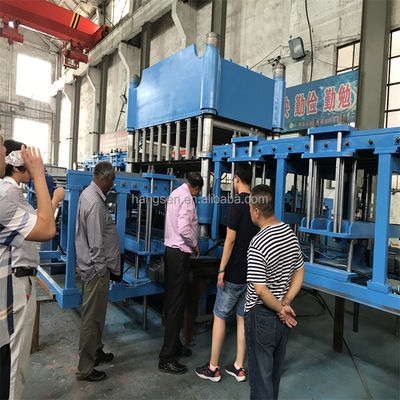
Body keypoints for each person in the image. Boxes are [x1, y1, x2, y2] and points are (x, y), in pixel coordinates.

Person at [3, 140, 65, 400]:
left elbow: (35, 222)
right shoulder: (7, 195)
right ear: (18, 165)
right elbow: (45, 228)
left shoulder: (13, 193)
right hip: (17, 282)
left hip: (20, 279)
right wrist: (53, 196)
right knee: (15, 360)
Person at [196, 163, 259, 382]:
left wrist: (221, 269)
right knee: (242, 318)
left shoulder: (237, 204)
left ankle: (213, 368)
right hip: (252, 273)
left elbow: (230, 240)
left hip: (234, 272)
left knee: (220, 315)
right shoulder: (257, 204)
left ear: (237, 179)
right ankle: (239, 367)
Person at [245, 185, 304, 400]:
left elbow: (260, 289)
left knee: (261, 381)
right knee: (273, 379)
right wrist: (286, 301)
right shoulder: (289, 233)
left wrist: (280, 308)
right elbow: (300, 270)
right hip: (282, 319)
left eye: (250, 208)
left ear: (257, 211)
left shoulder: (258, 242)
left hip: (261, 316)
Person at [75, 161, 121, 382]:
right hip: (96, 271)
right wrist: (102, 270)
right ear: (106, 178)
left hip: (95, 268)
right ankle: (85, 368)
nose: (113, 185)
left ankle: (96, 351)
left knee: (98, 316)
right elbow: (95, 244)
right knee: (91, 320)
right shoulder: (94, 203)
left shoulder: (89, 195)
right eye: (113, 180)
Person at [158, 172, 203, 375]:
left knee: (172, 301)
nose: (198, 195)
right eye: (199, 192)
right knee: (176, 305)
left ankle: (175, 346)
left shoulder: (175, 193)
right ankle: (166, 358)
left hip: (170, 251)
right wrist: (194, 244)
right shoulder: (187, 199)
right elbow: (185, 228)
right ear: (197, 188)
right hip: (179, 254)